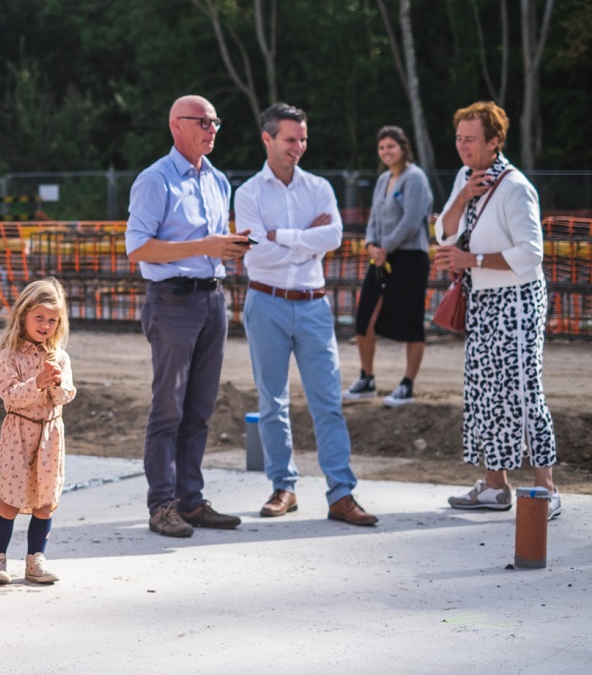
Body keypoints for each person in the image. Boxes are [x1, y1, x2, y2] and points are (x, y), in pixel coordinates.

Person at [234, 103, 377, 527]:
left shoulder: (319, 187)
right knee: (272, 402)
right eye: (290, 139)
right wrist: (305, 239)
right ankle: (283, 487)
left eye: (303, 139)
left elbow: (333, 235)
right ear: (268, 139)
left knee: (328, 403)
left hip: (313, 304)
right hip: (266, 303)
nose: (299, 147)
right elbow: (257, 250)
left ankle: (341, 493)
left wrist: (283, 236)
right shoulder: (248, 194)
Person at [125, 96, 250, 538]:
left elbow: (210, 245)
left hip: (212, 298)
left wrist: (229, 246)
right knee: (168, 409)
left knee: (200, 409)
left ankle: (190, 501)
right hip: (173, 300)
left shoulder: (217, 180)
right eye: (203, 121)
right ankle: (162, 504)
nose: (212, 128)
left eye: (216, 121)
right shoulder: (155, 180)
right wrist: (206, 246)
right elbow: (138, 247)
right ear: (177, 125)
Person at [434, 101, 561, 519]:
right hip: (484, 300)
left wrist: (472, 261)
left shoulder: (515, 186)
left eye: (471, 139)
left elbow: (531, 254)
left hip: (517, 302)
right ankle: (494, 485)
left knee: (523, 390)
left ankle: (547, 488)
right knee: (484, 389)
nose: (462, 146)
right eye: (458, 138)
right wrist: (463, 195)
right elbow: (443, 230)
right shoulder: (465, 178)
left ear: (494, 142)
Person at [0, 278, 77, 586]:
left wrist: (58, 382)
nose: (46, 325)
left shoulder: (59, 357)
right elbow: (9, 396)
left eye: (53, 320)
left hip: (50, 435)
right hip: (18, 433)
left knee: (45, 500)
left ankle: (35, 560)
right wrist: (37, 382)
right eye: (39, 317)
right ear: (23, 314)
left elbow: (67, 396)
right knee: (11, 498)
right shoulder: (8, 355)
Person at [346, 126, 433, 407]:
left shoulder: (415, 177)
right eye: (382, 147)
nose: (386, 152)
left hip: (409, 257)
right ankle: (367, 378)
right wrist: (371, 245)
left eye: (391, 147)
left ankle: (407, 385)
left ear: (403, 148)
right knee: (364, 318)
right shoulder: (383, 179)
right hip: (381, 256)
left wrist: (386, 248)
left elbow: (411, 220)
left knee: (411, 322)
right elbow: (373, 219)